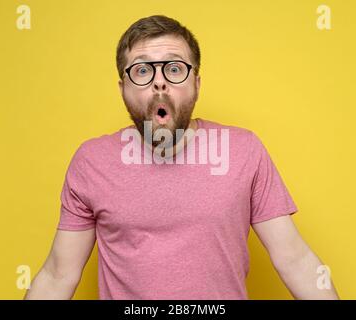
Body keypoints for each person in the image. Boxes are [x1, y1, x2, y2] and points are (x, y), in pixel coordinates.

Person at [24, 15, 339, 300]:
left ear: (196, 84)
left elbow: (295, 260)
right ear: (122, 88)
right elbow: (58, 275)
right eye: (142, 70)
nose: (159, 82)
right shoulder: (91, 162)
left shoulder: (244, 150)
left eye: (174, 69)